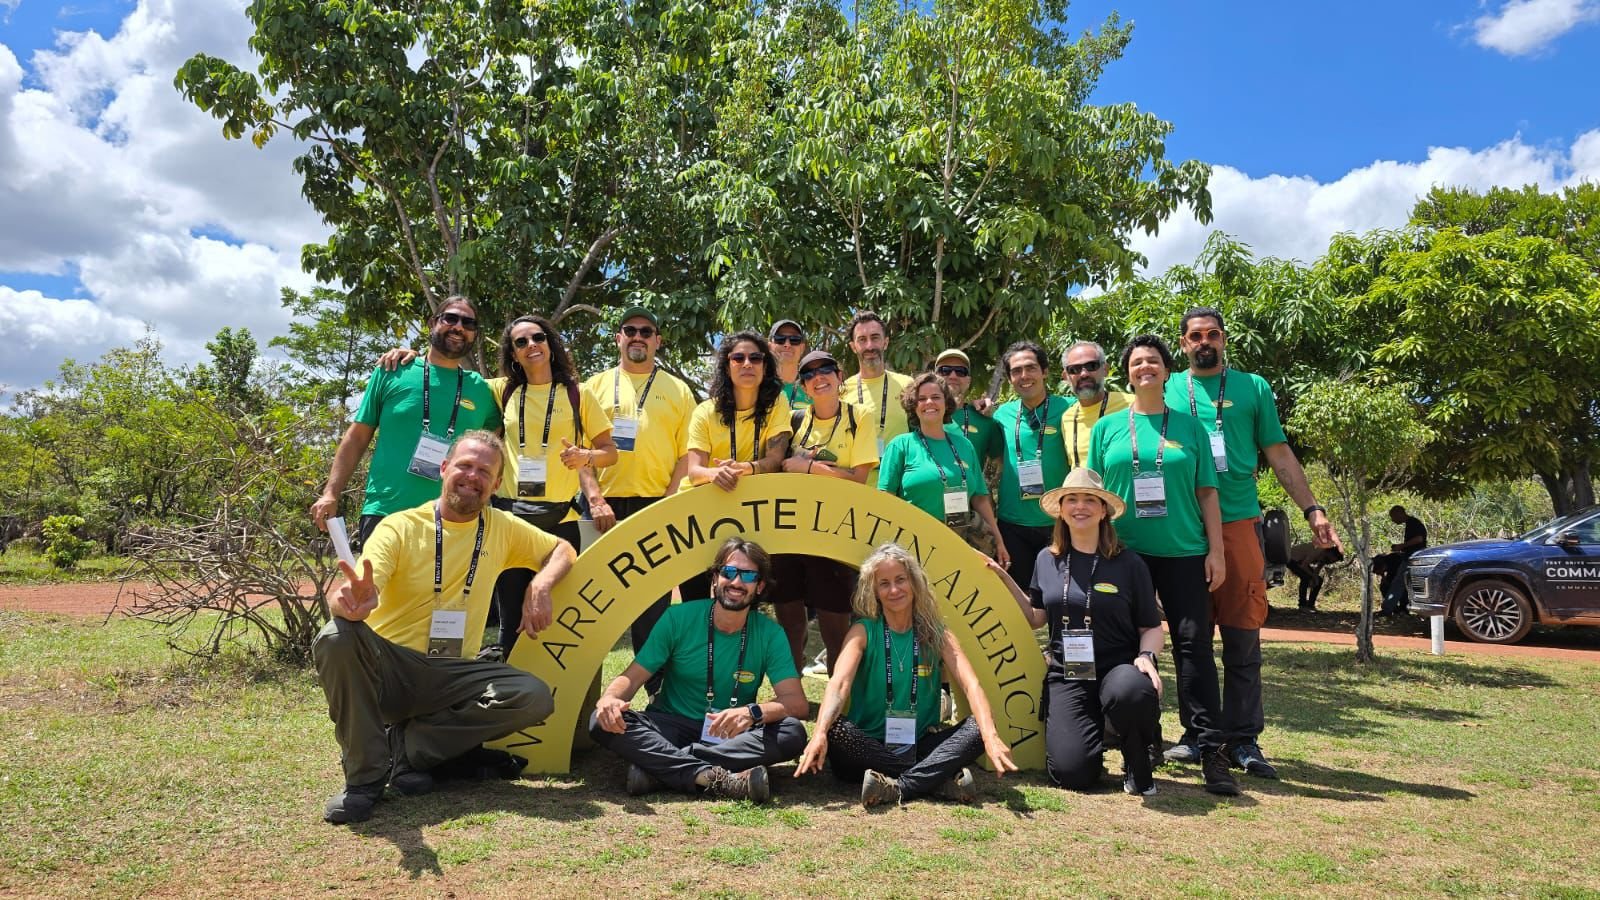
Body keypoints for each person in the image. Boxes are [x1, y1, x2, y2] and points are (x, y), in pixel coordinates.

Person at [315, 430, 576, 824]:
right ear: (443, 468)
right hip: (391, 667)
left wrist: (539, 583)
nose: (472, 476)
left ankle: (408, 750)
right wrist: (351, 602)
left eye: (484, 471)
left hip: (452, 673)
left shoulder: (502, 526)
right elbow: (352, 593)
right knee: (336, 636)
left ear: (497, 483)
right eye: (464, 466)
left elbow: (563, 548)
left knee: (531, 696)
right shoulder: (400, 526)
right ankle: (365, 780)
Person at [1165, 307, 1341, 778]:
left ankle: (1243, 740)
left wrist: (1313, 508)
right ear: (1182, 343)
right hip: (1183, 526)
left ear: (1224, 340)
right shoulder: (1164, 389)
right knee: (1190, 638)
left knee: (1243, 632)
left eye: (1213, 335)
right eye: (1195, 336)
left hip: (1239, 522)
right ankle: (1197, 734)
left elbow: (1279, 453)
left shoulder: (1253, 387)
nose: (1205, 342)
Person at [1087, 334, 1237, 796]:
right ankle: (1145, 738)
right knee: (1126, 651)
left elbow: (1207, 492)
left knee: (1194, 650)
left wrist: (1216, 551)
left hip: (1184, 552)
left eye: (1152, 361)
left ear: (1167, 372)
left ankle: (1211, 750)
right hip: (1122, 555)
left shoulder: (1191, 427)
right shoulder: (1107, 428)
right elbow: (1092, 496)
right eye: (1136, 362)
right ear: (1126, 373)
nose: (1144, 368)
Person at [794, 543, 1019, 807]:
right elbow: (839, 684)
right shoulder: (863, 631)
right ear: (874, 591)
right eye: (884, 583)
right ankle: (935, 777)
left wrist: (990, 736)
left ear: (914, 582)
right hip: (868, 748)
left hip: (919, 743)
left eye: (901, 580)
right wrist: (819, 731)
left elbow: (971, 685)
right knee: (838, 731)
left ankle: (899, 786)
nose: (894, 590)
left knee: (976, 728)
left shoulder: (937, 632)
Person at [589, 537, 809, 803]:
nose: (737, 582)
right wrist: (610, 698)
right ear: (715, 578)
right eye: (729, 572)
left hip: (732, 731)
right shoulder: (678, 618)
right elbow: (634, 676)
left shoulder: (770, 633)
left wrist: (751, 712)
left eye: (748, 576)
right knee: (600, 722)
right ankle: (713, 776)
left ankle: (659, 768)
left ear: (759, 586)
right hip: (671, 723)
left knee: (791, 732)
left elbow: (796, 703)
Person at [991, 468, 1164, 795]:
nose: (1080, 506)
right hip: (1070, 673)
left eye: (1090, 500)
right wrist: (1004, 579)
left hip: (1117, 669)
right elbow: (1036, 617)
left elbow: (1152, 627)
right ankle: (1099, 734)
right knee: (1071, 773)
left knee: (1130, 690)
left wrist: (1146, 657)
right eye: (1072, 499)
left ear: (1103, 511)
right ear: (1061, 509)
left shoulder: (1128, 563)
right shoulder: (1047, 559)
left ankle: (1137, 754)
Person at [310, 297, 501, 547]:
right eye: (450, 318)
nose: (458, 327)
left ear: (474, 334)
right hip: (386, 512)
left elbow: (495, 444)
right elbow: (357, 438)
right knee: (376, 588)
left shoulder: (481, 390)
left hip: (452, 518)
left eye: (468, 323)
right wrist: (331, 493)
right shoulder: (393, 371)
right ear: (433, 323)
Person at [481, 315, 616, 662]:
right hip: (511, 518)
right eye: (521, 342)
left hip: (561, 520)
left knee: (558, 613)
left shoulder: (577, 393)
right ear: (513, 354)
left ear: (550, 344)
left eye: (537, 338)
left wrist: (585, 456)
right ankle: (513, 697)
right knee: (511, 617)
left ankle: (558, 699)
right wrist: (408, 356)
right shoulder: (502, 390)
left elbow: (609, 453)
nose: (531, 346)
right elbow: (451, 379)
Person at [582, 307, 696, 668]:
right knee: (593, 603)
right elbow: (578, 453)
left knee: (652, 607)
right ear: (618, 338)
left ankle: (655, 693)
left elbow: (686, 454)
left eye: (646, 331)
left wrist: (668, 500)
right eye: (629, 329)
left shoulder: (678, 390)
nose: (637, 336)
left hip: (656, 504)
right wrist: (596, 499)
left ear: (657, 341)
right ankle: (582, 699)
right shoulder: (591, 387)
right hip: (602, 507)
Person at [771, 350, 879, 672]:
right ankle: (790, 699)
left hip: (836, 534)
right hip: (790, 534)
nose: (819, 378)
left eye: (826, 370)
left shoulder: (859, 417)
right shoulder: (794, 420)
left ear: (839, 375)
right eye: (809, 374)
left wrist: (809, 468)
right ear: (803, 386)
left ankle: (840, 705)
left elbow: (859, 479)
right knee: (790, 625)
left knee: (836, 631)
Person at [681, 331, 793, 599]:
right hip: (699, 511)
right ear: (726, 365)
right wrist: (715, 473)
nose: (747, 364)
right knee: (695, 596)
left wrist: (746, 469)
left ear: (765, 366)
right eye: (738, 358)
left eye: (756, 358)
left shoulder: (777, 403)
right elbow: (694, 472)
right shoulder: (705, 411)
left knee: (745, 592)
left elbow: (776, 460)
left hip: (750, 509)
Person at [878, 372, 1007, 568]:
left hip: (962, 542)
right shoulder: (900, 445)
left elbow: (980, 497)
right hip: (916, 546)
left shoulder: (964, 445)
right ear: (914, 406)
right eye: (922, 398)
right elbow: (885, 500)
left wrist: (999, 540)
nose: (929, 402)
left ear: (946, 403)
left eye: (936, 397)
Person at [991, 341, 1073, 589]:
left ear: (1044, 372)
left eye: (1031, 368)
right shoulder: (1000, 415)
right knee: (1022, 604)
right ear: (1009, 378)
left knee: (1064, 599)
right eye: (1016, 371)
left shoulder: (1070, 408)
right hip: (1013, 524)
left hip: (1059, 521)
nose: (1024, 376)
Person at [840, 311, 914, 482]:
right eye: (862, 340)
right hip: (855, 488)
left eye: (875, 338)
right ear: (853, 346)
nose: (869, 346)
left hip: (897, 487)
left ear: (885, 342)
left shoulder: (908, 385)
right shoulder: (842, 391)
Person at [1058, 341, 1131, 470]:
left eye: (1091, 366)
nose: (1084, 374)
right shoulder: (1067, 418)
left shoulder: (1131, 405)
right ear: (1066, 377)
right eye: (1074, 369)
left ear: (1105, 370)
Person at [934, 348, 1002, 464]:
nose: (953, 376)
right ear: (934, 377)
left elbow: (1002, 461)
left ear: (968, 381)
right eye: (945, 370)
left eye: (960, 371)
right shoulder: (919, 415)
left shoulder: (985, 420)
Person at [1375, 505, 1427, 615]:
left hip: (1413, 557)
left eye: (1393, 517)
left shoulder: (1413, 523)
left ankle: (1387, 609)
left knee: (1399, 583)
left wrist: (1401, 546)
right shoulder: (1411, 523)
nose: (1392, 520)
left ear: (1399, 513)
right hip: (1411, 556)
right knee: (1407, 584)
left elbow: (1419, 539)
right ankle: (1405, 608)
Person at [770, 319, 812, 410]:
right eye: (780, 339)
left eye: (794, 340)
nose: (787, 344)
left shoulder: (813, 385)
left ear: (802, 348)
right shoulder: (757, 385)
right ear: (769, 346)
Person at [1288, 542, 1344, 610]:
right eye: (1333, 559)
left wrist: (1315, 579)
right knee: (1306, 578)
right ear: (1331, 553)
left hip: (1301, 562)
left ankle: (1310, 604)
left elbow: (1317, 570)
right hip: (1291, 559)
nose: (1331, 562)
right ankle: (1302, 604)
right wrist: (1313, 577)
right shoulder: (1318, 550)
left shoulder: (1325, 558)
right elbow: (1304, 565)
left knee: (1319, 580)